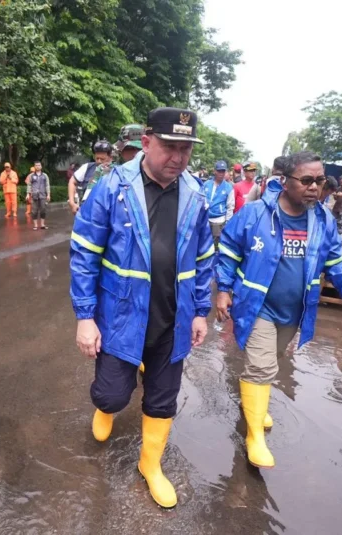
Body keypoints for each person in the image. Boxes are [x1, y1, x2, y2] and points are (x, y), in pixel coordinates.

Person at [70, 107, 214, 509]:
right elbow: (84, 253)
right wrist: (85, 317)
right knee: (112, 395)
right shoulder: (112, 188)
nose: (179, 158)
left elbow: (204, 256)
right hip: (121, 316)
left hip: (173, 318)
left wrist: (200, 310)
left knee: (163, 399)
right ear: (147, 143)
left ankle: (150, 465)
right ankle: (106, 407)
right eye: (170, 147)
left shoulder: (195, 193)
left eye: (186, 149)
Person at [215, 151, 342, 469]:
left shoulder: (322, 220)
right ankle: (255, 437)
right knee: (260, 366)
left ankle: (256, 404)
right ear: (285, 181)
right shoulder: (256, 214)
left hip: (294, 310)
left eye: (319, 180)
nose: (314, 187)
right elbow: (228, 251)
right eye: (307, 180)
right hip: (258, 306)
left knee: (273, 359)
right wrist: (224, 290)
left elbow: (336, 261)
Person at [68, 140, 114, 214]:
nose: (99, 161)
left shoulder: (116, 171)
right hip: (85, 211)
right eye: (97, 158)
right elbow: (72, 181)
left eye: (102, 159)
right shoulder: (87, 167)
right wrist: (72, 202)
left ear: (110, 157)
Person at [203, 160, 235, 247]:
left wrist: (228, 222)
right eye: (219, 171)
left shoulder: (228, 187)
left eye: (223, 171)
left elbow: (230, 206)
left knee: (216, 245)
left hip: (219, 221)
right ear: (214, 171)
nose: (221, 173)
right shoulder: (206, 184)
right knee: (204, 244)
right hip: (205, 219)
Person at [27, 161, 51, 231]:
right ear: (34, 167)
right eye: (36, 165)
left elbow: (47, 185)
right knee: (34, 211)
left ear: (41, 166)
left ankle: (42, 224)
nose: (37, 166)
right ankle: (35, 225)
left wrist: (48, 194)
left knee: (43, 210)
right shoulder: (31, 176)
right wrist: (28, 194)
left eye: (39, 165)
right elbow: (29, 185)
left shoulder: (45, 175)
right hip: (34, 195)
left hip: (43, 195)